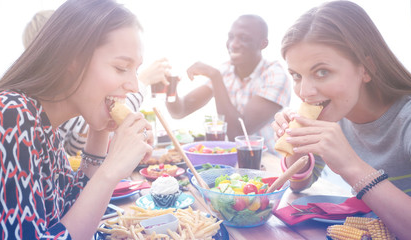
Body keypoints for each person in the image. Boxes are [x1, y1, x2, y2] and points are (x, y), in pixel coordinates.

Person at [0, 0, 153, 239]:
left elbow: (70, 212)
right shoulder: (9, 114)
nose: (134, 85)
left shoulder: (45, 123)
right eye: (121, 67)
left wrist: (100, 131)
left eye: (136, 70)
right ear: (73, 59)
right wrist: (112, 169)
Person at [271, 1, 411, 238]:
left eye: (322, 72)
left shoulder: (406, 120)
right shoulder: (336, 114)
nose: (304, 91)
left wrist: (352, 167)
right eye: (296, 75)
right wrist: (295, 144)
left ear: (367, 68)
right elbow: (299, 185)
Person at [22, 10, 171, 157]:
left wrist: (104, 122)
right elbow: (79, 143)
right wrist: (113, 166)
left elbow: (77, 176)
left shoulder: (50, 134)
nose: (134, 86)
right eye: (121, 68)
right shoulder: (15, 116)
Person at [166, 14, 290, 155]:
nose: (233, 44)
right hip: (234, 160)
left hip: (268, 162)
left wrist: (215, 77)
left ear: (263, 44)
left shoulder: (275, 76)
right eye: (231, 37)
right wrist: (169, 86)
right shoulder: (226, 70)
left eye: (244, 38)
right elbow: (180, 110)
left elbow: (236, 132)